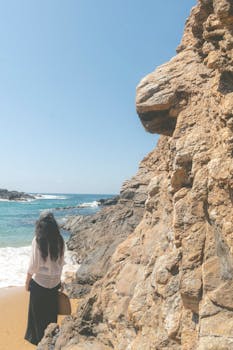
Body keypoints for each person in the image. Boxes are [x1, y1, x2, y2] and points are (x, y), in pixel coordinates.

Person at [24, 212, 65, 346]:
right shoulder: (60, 240)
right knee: (50, 317)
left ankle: (40, 345)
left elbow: (33, 266)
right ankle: (50, 344)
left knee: (37, 319)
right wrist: (60, 280)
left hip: (40, 285)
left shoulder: (38, 240)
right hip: (55, 284)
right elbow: (61, 263)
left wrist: (27, 282)